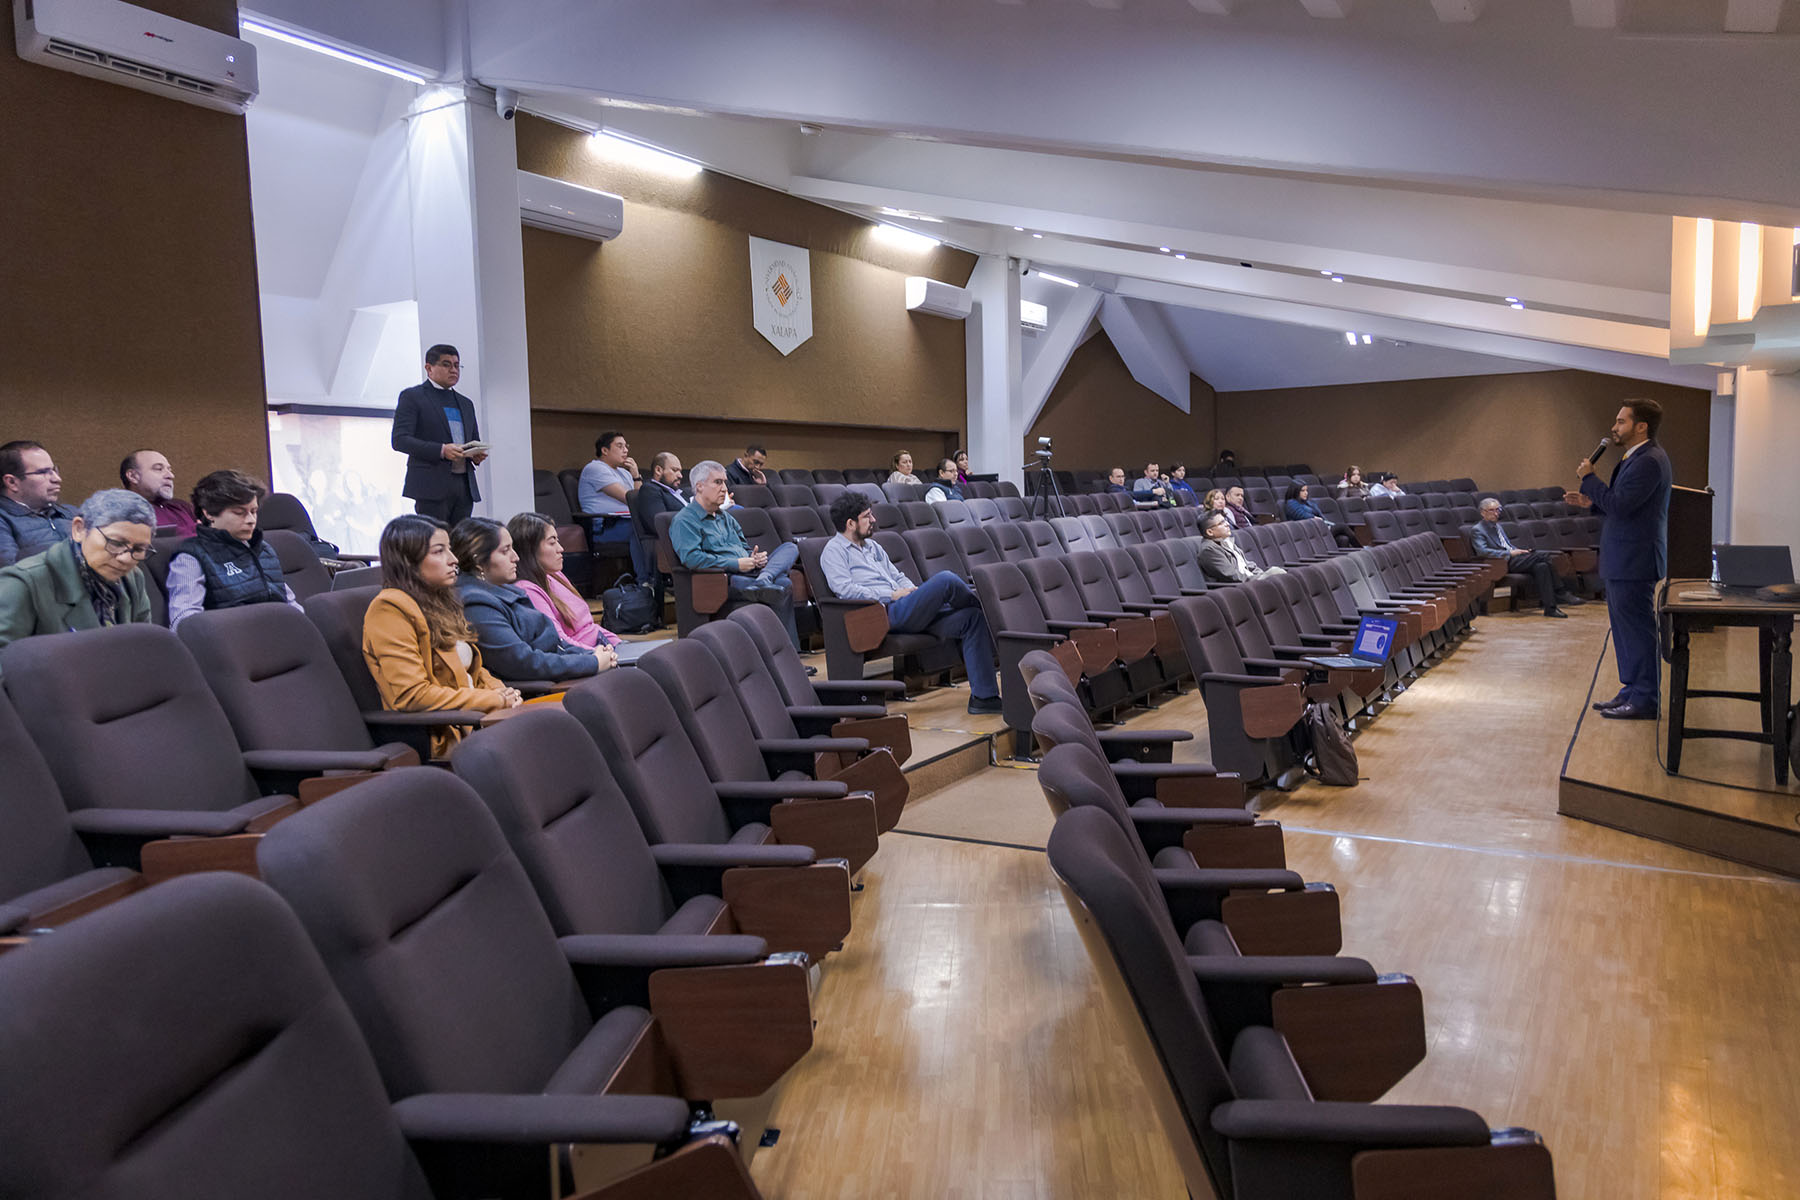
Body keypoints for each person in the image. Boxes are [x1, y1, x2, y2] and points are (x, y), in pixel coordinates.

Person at [820, 494, 1001, 714]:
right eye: (867, 516)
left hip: (905, 607)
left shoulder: (873, 547)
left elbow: (898, 576)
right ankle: (995, 612)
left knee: (972, 618)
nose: (874, 519)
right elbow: (845, 590)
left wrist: (912, 591)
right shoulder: (833, 551)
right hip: (881, 615)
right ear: (850, 523)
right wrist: (891, 595)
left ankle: (984, 698)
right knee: (946, 579)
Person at [362, 514, 521, 758]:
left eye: (450, 549)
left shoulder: (440, 600)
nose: (453, 559)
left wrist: (502, 692)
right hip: (444, 733)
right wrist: (490, 700)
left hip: (477, 721)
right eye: (439, 551)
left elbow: (472, 670)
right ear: (408, 561)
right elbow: (412, 695)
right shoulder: (389, 609)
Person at [1569, 399, 1673, 720]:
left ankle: (1644, 699)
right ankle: (1632, 689)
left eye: (1621, 422)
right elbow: (1622, 505)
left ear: (1640, 426)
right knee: (1625, 630)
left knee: (1637, 630)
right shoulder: (1637, 457)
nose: (1614, 428)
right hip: (1625, 558)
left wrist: (1590, 478)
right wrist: (1592, 503)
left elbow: (1621, 505)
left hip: (1634, 560)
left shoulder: (1648, 461)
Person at [0, 489, 156, 664]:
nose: (125, 558)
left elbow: (144, 647)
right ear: (79, 529)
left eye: (139, 550)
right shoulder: (23, 584)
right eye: (116, 543)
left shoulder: (133, 578)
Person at [452, 517, 613, 684]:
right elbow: (521, 662)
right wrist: (591, 662)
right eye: (505, 550)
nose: (515, 557)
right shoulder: (477, 604)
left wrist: (593, 655)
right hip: (543, 688)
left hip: (561, 672)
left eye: (512, 548)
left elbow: (557, 644)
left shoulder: (504, 590)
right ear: (479, 561)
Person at [670, 459, 802, 649]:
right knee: (783, 583)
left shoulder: (727, 518)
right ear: (699, 487)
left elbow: (744, 548)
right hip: (724, 579)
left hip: (751, 572)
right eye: (717, 482)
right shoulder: (685, 520)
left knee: (790, 548)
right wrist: (736, 564)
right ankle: (788, 652)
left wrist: (754, 558)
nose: (724, 488)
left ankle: (765, 578)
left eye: (724, 482)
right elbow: (692, 558)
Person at [165, 470, 300, 630]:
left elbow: (289, 604)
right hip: (234, 644)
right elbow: (185, 622)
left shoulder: (263, 549)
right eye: (239, 513)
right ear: (208, 513)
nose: (251, 520)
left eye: (254, 511)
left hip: (281, 636)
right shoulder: (190, 557)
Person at [392, 344, 487, 527]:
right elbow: (400, 440)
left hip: (464, 484)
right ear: (429, 368)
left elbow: (472, 439)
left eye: (456, 365)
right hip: (431, 484)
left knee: (462, 544)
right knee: (436, 541)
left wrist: (475, 454)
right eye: (446, 364)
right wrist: (441, 450)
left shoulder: (466, 403)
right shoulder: (413, 397)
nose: (453, 370)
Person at [508, 511, 625, 652]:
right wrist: (599, 657)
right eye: (552, 543)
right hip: (586, 659)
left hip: (601, 649)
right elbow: (560, 643)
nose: (561, 549)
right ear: (530, 550)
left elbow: (590, 628)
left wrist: (620, 645)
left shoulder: (554, 574)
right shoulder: (528, 590)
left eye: (557, 541)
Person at [1470, 498, 1579, 620]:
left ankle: (1551, 608)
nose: (1496, 513)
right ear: (1482, 512)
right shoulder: (1477, 530)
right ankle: (1561, 591)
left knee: (1542, 566)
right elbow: (1483, 551)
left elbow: (1507, 545)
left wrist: (1520, 551)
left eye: (1498, 510)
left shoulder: (1498, 527)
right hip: (1502, 563)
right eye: (1492, 510)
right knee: (1544, 556)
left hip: (1513, 558)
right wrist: (1511, 553)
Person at [0, 441, 76, 567]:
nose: (57, 479)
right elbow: (11, 573)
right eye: (43, 472)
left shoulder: (72, 513)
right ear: (12, 482)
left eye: (54, 470)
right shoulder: (3, 520)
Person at [630, 451, 687, 617]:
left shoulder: (683, 493)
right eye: (675, 470)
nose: (680, 475)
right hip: (669, 544)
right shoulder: (651, 490)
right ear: (658, 470)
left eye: (680, 471)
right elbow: (659, 522)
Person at [578, 430, 642, 573]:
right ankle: (645, 580)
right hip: (606, 526)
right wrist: (636, 477)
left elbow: (640, 501)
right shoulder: (595, 468)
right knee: (646, 528)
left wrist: (636, 476)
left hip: (627, 522)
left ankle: (657, 579)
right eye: (620, 446)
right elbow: (630, 499)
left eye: (626, 446)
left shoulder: (625, 472)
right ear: (605, 450)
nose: (625, 450)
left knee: (655, 525)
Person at [119, 449, 197, 537]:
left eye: (169, 469)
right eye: (159, 469)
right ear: (133, 476)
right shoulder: (122, 512)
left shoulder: (182, 507)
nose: (170, 476)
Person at [1195, 510, 1284, 582]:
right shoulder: (1209, 549)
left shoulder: (1226, 541)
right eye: (1221, 523)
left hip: (1251, 581)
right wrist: (1260, 579)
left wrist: (1262, 574)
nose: (1227, 524)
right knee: (1277, 573)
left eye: (1225, 520)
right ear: (1210, 532)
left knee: (1278, 573)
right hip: (1240, 588)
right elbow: (1232, 575)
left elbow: (1248, 565)